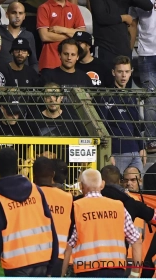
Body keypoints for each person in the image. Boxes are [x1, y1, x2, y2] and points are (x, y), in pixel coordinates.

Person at [0, 147, 58, 276]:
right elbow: (52, 228)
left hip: (16, 266)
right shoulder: (36, 191)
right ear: (18, 165)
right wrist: (51, 265)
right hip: (42, 261)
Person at [61, 169, 142, 278]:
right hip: (116, 270)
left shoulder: (76, 207)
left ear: (81, 186)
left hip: (87, 270)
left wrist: (61, 275)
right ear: (102, 184)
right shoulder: (118, 206)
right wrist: (135, 274)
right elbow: (136, 240)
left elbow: (68, 247)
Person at [95, 56, 145, 173]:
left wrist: (142, 147)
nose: (123, 75)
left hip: (135, 151)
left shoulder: (132, 96)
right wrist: (109, 152)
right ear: (113, 72)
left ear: (131, 72)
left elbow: (136, 125)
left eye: (127, 72)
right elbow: (102, 126)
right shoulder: (105, 96)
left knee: (137, 187)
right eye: (120, 71)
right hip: (117, 152)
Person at [34, 157, 73, 277]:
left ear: (34, 175)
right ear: (53, 174)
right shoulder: (67, 197)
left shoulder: (28, 195)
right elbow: (71, 233)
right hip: (58, 256)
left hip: (34, 257)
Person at [129, 4, 156, 153]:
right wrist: (129, 49)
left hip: (147, 55)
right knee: (151, 97)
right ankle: (151, 139)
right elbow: (132, 24)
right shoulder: (139, 0)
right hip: (147, 54)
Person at [36, 0, 85, 71]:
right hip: (50, 61)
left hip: (70, 61)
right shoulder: (44, 8)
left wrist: (62, 30)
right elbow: (44, 36)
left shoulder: (74, 8)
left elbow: (82, 33)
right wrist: (71, 35)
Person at [0, 2, 38, 71]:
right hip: (2, 76)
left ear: (24, 16)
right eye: (14, 13)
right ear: (7, 14)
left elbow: (33, 61)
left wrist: (33, 77)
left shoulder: (29, 36)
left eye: (20, 13)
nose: (17, 16)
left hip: (24, 77)